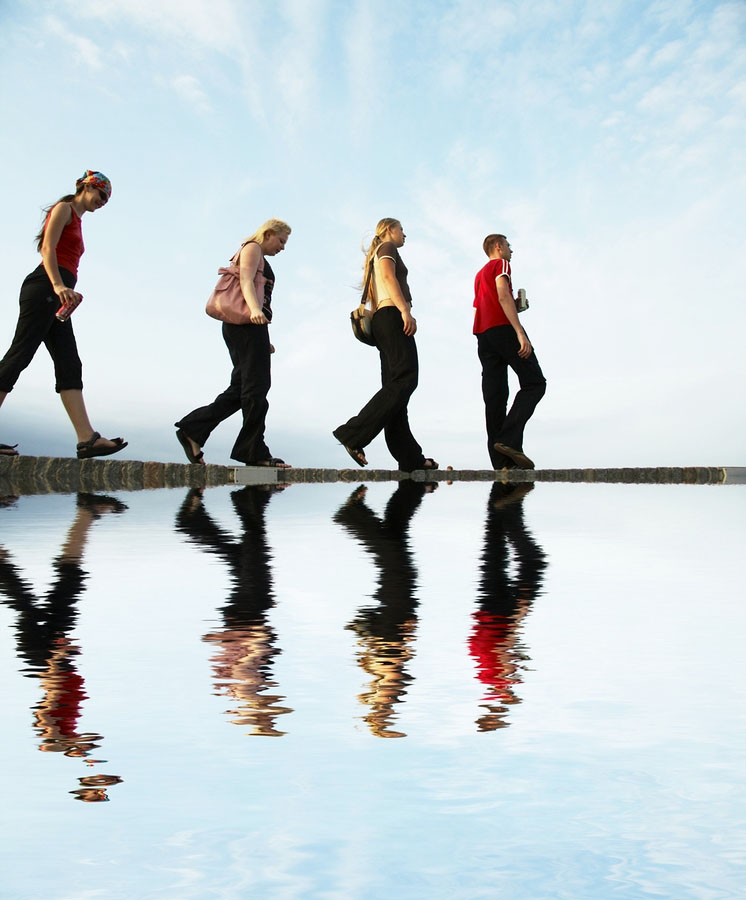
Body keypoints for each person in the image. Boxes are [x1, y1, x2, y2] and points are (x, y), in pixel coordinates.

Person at [0, 171, 127, 459]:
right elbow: (47, 248)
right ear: (85, 186)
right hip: (44, 288)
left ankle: (87, 439)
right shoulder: (64, 209)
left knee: (69, 361)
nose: (103, 201)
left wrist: (64, 290)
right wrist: (59, 286)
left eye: (106, 198)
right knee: (19, 356)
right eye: (101, 194)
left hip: (57, 295)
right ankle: (86, 438)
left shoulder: (78, 220)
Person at [174, 219, 292, 468]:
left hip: (250, 327)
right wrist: (253, 312)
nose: (282, 247)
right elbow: (246, 282)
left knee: (241, 389)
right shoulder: (252, 248)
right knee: (256, 388)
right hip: (246, 324)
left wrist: (264, 338)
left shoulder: (258, 254)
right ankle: (253, 451)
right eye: (281, 240)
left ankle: (193, 431)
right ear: (268, 233)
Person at [332, 218, 437, 472]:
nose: (405, 234)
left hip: (381, 320)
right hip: (391, 316)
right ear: (389, 229)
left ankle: (410, 458)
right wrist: (405, 311)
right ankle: (353, 433)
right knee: (406, 379)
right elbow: (390, 278)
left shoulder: (375, 254)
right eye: (402, 229)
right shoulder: (388, 248)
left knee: (394, 388)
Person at [473, 234, 546, 469]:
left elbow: (488, 302)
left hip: (483, 335)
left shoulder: (479, 275)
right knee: (535, 383)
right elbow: (502, 294)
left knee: (495, 397)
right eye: (508, 246)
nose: (511, 251)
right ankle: (509, 440)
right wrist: (520, 332)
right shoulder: (501, 264)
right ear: (498, 246)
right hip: (503, 329)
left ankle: (502, 463)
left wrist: (514, 307)